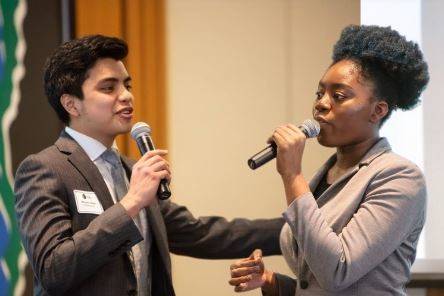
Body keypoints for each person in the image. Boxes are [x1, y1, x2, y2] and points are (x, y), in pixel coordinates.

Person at [14, 35, 284, 296]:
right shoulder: (45, 169)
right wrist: (130, 203)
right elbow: (53, 270)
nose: (126, 96)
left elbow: (202, 234)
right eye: (109, 88)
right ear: (71, 103)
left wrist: (298, 229)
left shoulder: (132, 171)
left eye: (127, 86)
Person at [228, 25, 429, 295]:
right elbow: (316, 281)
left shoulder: (400, 177)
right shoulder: (326, 175)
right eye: (319, 93)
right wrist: (272, 282)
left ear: (377, 111)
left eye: (339, 96)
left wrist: (292, 176)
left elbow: (337, 271)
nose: (321, 104)